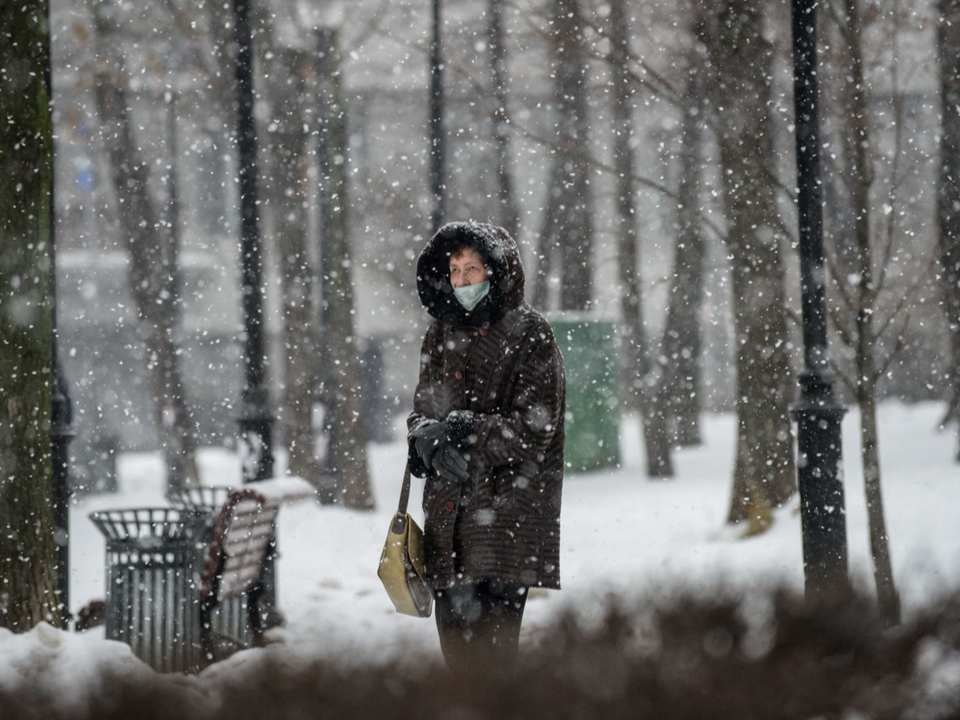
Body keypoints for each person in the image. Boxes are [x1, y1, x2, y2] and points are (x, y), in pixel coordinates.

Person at [407, 221, 566, 672]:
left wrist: (463, 431)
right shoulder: (439, 334)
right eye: (454, 269)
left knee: (493, 668)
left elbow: (536, 429)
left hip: (503, 525)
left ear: (495, 272)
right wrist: (424, 441)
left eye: (472, 269)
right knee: (457, 663)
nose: (461, 280)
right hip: (445, 526)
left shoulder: (529, 333)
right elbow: (422, 410)